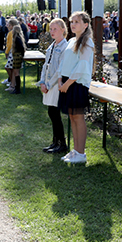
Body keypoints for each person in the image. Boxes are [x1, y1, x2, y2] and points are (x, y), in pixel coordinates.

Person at [58, 12, 95, 164]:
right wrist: (60, 79)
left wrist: (67, 84)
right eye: (72, 21)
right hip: (67, 81)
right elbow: (63, 61)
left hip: (77, 83)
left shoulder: (87, 42)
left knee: (78, 117)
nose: (73, 24)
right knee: (72, 116)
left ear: (85, 25)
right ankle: (76, 150)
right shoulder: (72, 40)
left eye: (77, 22)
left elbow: (82, 66)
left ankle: (81, 153)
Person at [38, 19, 68, 154]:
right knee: (51, 113)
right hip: (48, 84)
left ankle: (62, 143)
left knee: (54, 113)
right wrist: (42, 82)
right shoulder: (52, 46)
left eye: (55, 29)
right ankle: (55, 141)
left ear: (63, 29)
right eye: (51, 29)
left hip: (56, 84)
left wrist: (49, 84)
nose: (52, 31)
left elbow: (60, 70)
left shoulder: (64, 47)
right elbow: (46, 65)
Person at [9, 18, 25, 94]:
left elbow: (21, 48)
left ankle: (17, 89)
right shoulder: (18, 37)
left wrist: (21, 55)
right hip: (17, 56)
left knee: (16, 73)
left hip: (17, 56)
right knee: (16, 73)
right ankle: (16, 88)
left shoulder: (17, 38)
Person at [3, 18, 15, 90]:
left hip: (12, 52)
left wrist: (6, 52)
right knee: (11, 68)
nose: (8, 26)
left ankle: (12, 83)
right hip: (12, 52)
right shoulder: (12, 32)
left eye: (9, 25)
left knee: (8, 67)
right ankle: (12, 82)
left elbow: (9, 44)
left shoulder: (11, 33)